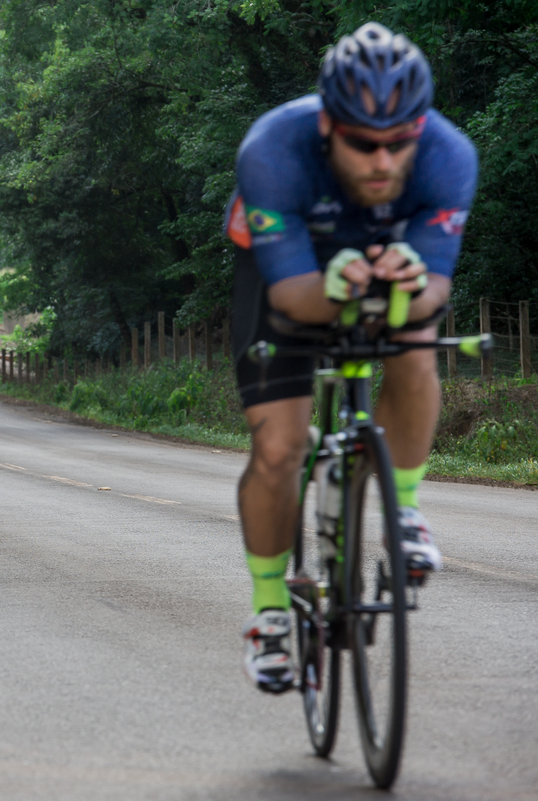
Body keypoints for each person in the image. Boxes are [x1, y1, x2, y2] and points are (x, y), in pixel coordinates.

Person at [226, 22, 477, 693]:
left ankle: (404, 509)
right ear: (328, 127)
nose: (383, 161)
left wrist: (411, 283)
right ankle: (269, 611)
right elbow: (293, 294)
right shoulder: (273, 150)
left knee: (416, 343)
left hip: (380, 256)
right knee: (278, 448)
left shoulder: (449, 155)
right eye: (364, 143)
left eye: (400, 142)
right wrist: (335, 286)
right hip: (285, 267)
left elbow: (436, 289)